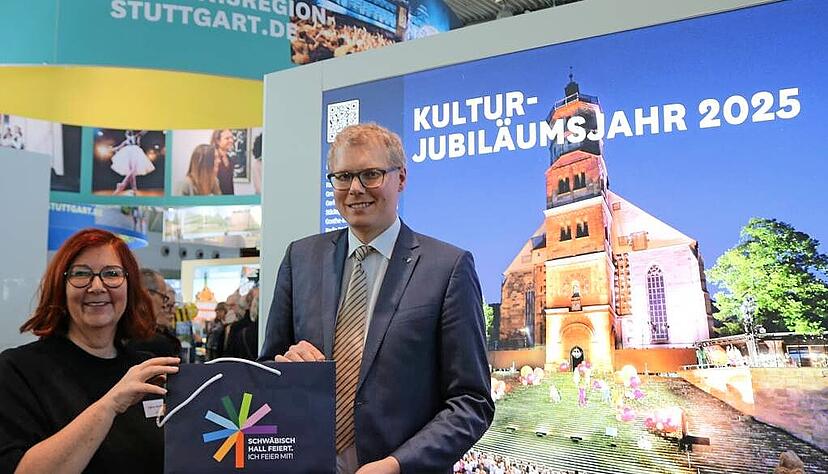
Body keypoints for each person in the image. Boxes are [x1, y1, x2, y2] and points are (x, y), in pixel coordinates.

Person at [260, 123, 494, 473]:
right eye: (342, 176)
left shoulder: (448, 268)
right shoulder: (300, 258)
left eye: (370, 174)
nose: (355, 189)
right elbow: (263, 371)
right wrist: (284, 370)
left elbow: (471, 401)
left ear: (401, 179)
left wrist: (397, 465)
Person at [0, 228, 179, 473]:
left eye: (112, 274)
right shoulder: (18, 370)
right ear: (61, 287)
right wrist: (110, 404)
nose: (97, 286)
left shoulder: (148, 371)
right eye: (81, 274)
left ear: (130, 286)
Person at [126, 269, 181, 358]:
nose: (164, 305)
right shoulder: (156, 343)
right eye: (163, 297)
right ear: (146, 295)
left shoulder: (117, 334)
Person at [110, 130, 154, 195]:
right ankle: (126, 186)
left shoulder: (135, 137)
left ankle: (130, 188)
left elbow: (143, 132)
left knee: (132, 171)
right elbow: (118, 147)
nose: (128, 135)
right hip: (132, 153)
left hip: (133, 153)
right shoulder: (127, 141)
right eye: (127, 133)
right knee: (132, 171)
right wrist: (112, 149)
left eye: (128, 133)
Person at [211, 129, 235, 195]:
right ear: (217, 141)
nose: (231, 141)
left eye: (232, 138)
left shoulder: (230, 159)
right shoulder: (212, 159)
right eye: (227, 138)